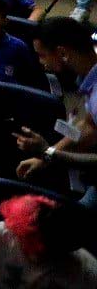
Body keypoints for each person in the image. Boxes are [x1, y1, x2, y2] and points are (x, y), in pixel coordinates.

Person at [15, 16, 97, 209]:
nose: (40, 62)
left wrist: (49, 153)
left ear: (62, 53)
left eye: (42, 55)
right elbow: (89, 125)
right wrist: (45, 158)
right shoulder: (87, 69)